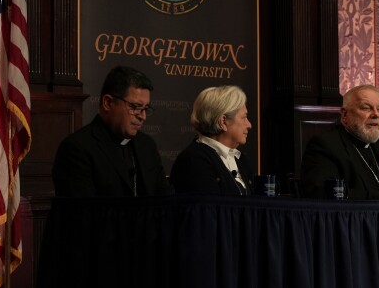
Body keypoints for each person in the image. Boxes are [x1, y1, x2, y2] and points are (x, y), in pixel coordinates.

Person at [52, 65, 170, 197]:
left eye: (145, 108)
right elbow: (83, 213)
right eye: (135, 107)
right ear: (107, 103)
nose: (142, 116)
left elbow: (164, 201)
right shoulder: (77, 149)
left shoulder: (147, 146)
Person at [170, 85, 255, 196]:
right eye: (244, 117)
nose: (249, 125)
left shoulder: (241, 160)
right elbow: (209, 210)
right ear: (223, 122)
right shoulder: (194, 160)